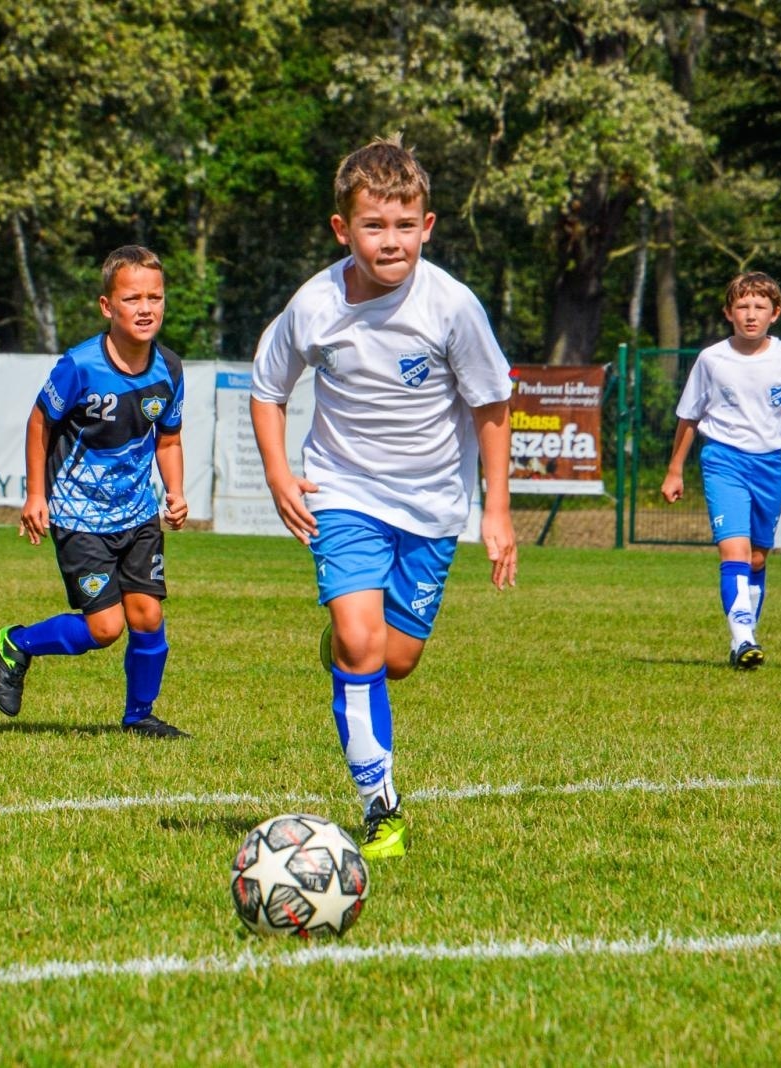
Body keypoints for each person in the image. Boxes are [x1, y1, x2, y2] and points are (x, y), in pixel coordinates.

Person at [249, 135, 517, 860]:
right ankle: (381, 810)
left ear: (427, 226)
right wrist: (279, 473)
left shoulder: (452, 307)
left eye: (405, 226)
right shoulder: (313, 305)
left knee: (396, 658)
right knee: (364, 642)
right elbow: (269, 390)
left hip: (432, 507)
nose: (390, 241)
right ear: (343, 229)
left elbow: (493, 405)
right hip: (342, 491)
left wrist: (494, 511)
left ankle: (349, 639)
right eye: (374, 226)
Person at [0, 245, 191, 739]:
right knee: (105, 629)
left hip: (137, 513)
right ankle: (17, 643)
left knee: (148, 614)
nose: (146, 308)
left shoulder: (169, 368)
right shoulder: (79, 366)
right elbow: (40, 423)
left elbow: (169, 437)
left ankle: (139, 715)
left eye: (155, 297)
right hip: (78, 513)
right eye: (132, 298)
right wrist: (36, 495)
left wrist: (176, 491)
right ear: (107, 307)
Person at [661, 271, 781, 669]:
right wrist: (675, 469)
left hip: (769, 464)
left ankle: (741, 641)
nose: (751, 314)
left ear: (775, 313)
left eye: (759, 307)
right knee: (734, 550)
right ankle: (744, 637)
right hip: (723, 460)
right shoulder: (712, 359)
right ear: (728, 312)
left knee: (758, 559)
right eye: (742, 306)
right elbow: (689, 416)